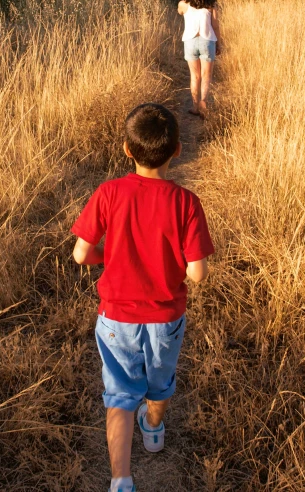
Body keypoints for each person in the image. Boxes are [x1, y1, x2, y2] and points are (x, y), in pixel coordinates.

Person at [71, 103, 214, 492]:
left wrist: (110, 255)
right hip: (166, 317)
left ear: (126, 150)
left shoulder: (109, 193)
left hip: (116, 318)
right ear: (178, 150)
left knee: (119, 394)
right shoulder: (186, 203)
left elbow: (81, 254)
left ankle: (121, 479)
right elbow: (197, 272)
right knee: (160, 380)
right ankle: (152, 428)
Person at [178, 0, 220, 118]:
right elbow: (216, 26)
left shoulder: (183, 4)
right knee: (206, 75)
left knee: (194, 76)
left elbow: (180, 12)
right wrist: (218, 43)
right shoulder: (211, 5)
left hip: (190, 41)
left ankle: (195, 107)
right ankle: (204, 102)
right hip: (207, 40)